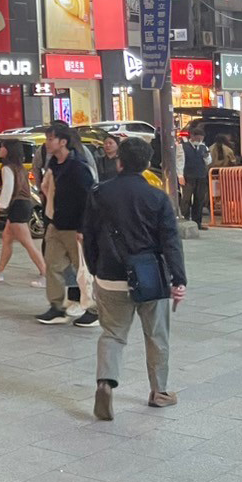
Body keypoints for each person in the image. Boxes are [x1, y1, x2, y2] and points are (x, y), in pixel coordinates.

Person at [84, 137, 187, 418]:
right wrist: (179, 279)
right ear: (145, 165)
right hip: (151, 277)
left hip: (109, 276)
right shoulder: (157, 197)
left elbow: (89, 236)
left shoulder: (98, 193)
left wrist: (95, 269)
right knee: (157, 336)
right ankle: (159, 392)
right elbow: (171, 242)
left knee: (113, 334)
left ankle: (105, 382)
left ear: (119, 161)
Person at [36, 123, 97, 326]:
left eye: (51, 139)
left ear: (63, 142)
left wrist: (83, 228)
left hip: (75, 227)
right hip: (56, 223)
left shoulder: (78, 167)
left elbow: (88, 199)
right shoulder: (54, 164)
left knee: (83, 269)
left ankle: (94, 309)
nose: (47, 143)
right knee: (52, 266)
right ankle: (56, 308)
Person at [0, 140, 46, 286]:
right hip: (23, 204)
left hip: (17, 206)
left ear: (8, 150)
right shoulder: (20, 168)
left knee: (27, 243)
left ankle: (45, 274)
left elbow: (7, 190)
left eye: (2, 147)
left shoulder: (7, 168)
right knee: (7, 238)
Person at [180, 128, 212, 228]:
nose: (199, 141)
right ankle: (185, 220)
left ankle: (197, 222)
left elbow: (208, 161)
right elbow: (180, 162)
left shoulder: (204, 147)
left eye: (201, 139)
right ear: (192, 137)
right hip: (188, 176)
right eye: (197, 139)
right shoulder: (183, 147)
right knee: (186, 199)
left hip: (201, 176)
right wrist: (180, 176)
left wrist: (206, 156)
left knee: (200, 199)